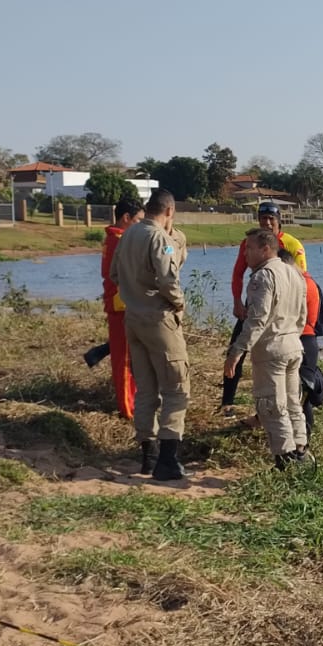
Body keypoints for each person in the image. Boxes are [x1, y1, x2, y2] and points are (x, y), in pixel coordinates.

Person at [109, 188, 190, 481]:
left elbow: (115, 274)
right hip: (158, 318)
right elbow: (169, 279)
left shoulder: (128, 233)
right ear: (169, 211)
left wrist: (135, 292)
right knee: (176, 386)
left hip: (133, 318)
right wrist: (178, 302)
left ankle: (149, 455)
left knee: (145, 388)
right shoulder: (158, 237)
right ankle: (168, 459)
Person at [224, 229, 309, 470]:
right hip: (293, 345)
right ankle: (301, 448)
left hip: (272, 349)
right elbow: (302, 315)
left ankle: (285, 459)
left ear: (265, 249)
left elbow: (257, 320)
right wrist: (292, 335)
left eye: (249, 248)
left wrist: (237, 351)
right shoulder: (294, 274)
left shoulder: (263, 277)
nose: (245, 254)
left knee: (272, 406)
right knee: (292, 401)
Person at [221, 201, 306, 416]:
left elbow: (302, 279)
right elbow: (237, 273)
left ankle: (288, 408)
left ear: (279, 220)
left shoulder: (292, 244)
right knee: (236, 347)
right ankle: (227, 402)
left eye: (271, 219)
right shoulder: (249, 243)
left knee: (286, 358)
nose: (267, 223)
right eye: (263, 218)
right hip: (258, 301)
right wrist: (237, 302)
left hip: (283, 308)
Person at [82, 197, 144, 419]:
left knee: (129, 356)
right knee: (125, 360)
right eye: (138, 220)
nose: (140, 225)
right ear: (126, 218)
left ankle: (132, 402)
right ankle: (128, 409)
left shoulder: (118, 238)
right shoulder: (120, 240)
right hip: (121, 305)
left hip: (123, 304)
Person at [279, 248, 323, 443]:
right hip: (306, 340)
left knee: (300, 395)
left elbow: (308, 319)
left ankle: (303, 441)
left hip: (302, 338)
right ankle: (300, 439)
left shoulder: (302, 283)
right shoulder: (305, 281)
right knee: (296, 393)